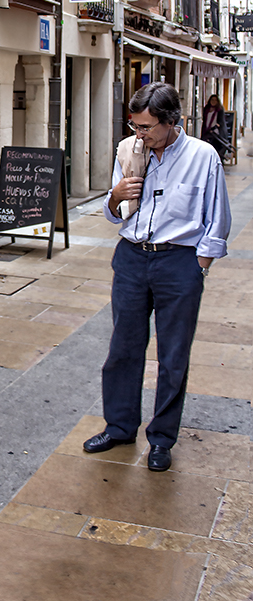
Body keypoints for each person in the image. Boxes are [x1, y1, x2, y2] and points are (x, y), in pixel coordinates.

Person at [83, 82, 231, 472]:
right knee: (123, 349)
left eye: (147, 127)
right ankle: (119, 427)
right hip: (132, 257)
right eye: (135, 126)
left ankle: (162, 439)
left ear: (171, 122)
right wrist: (115, 196)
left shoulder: (203, 157)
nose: (140, 134)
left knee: (173, 355)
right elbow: (115, 213)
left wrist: (200, 267)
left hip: (178, 263)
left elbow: (217, 219)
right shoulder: (128, 151)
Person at [201, 93, 229, 160]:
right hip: (207, 131)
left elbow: (221, 122)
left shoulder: (219, 110)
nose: (213, 102)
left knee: (216, 147)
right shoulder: (206, 109)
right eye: (212, 100)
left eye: (215, 100)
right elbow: (204, 120)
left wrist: (214, 128)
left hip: (216, 133)